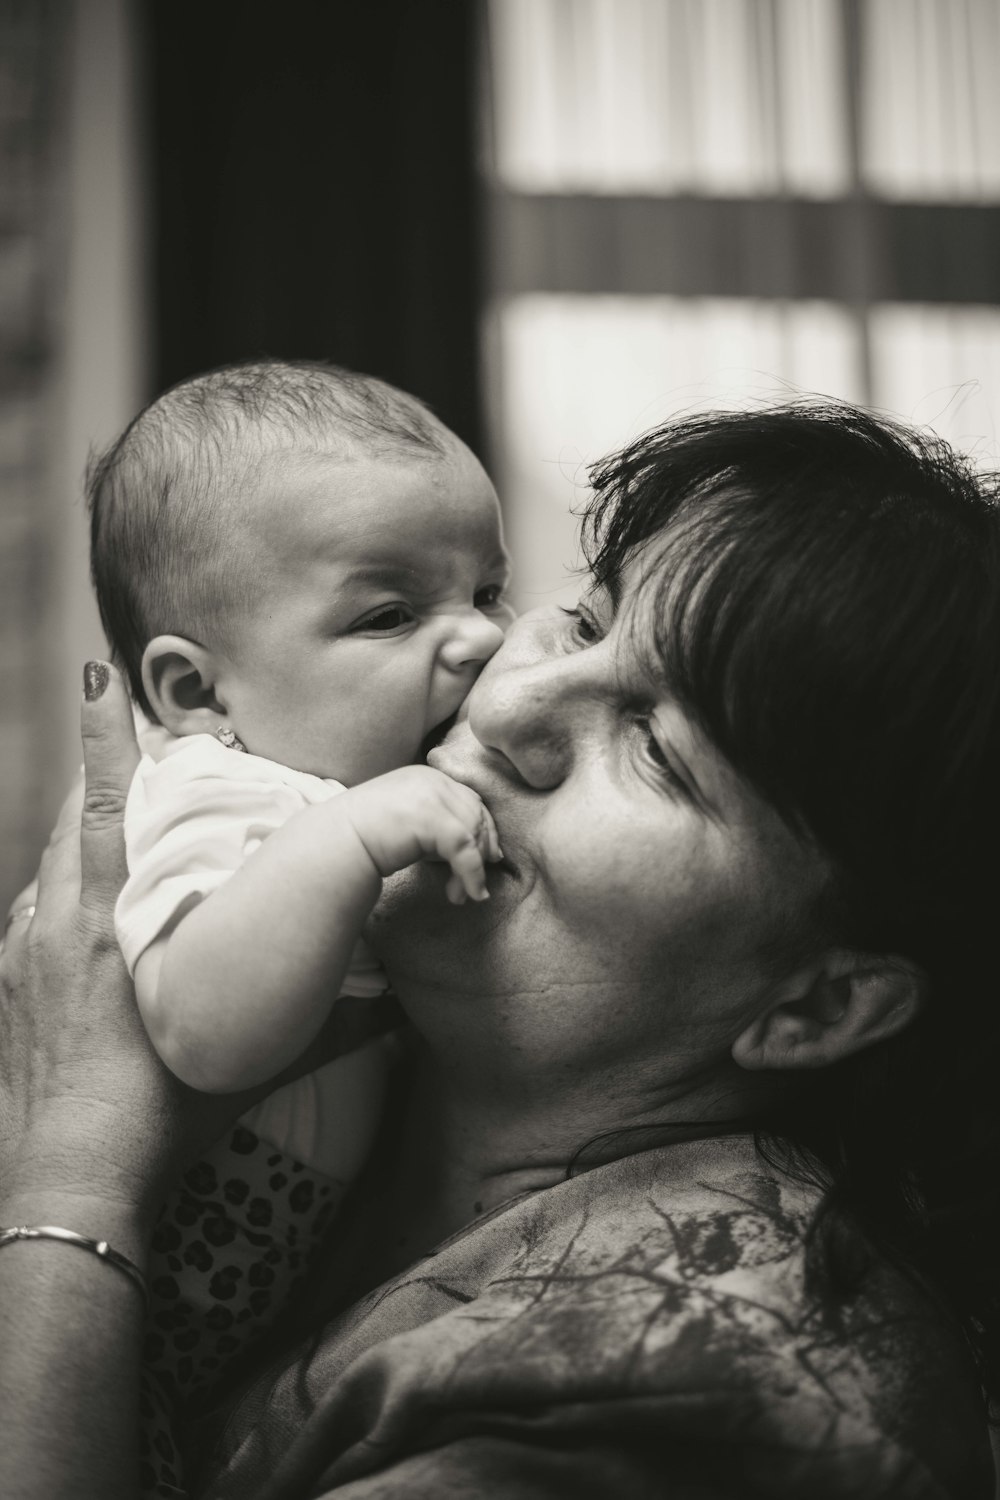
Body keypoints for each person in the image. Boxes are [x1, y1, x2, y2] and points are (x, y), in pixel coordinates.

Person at [1, 401, 998, 1499]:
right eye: (579, 623)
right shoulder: (337, 1031)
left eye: (657, 750)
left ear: (820, 1008)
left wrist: (77, 1173)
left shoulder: (700, 1383)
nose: (503, 693)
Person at [84, 360, 512, 1405]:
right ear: (193, 690)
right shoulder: (222, 795)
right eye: (388, 615)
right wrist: (352, 838)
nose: (484, 636)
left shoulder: (327, 790)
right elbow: (203, 1032)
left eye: (486, 591)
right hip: (113, 1271)